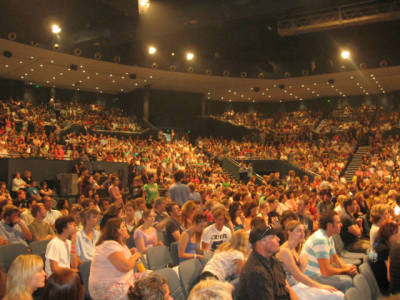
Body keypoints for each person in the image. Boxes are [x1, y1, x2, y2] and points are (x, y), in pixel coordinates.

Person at [277, 220, 344, 300]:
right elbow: (298, 276)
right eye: (298, 231)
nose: (302, 234)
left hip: (298, 284)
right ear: (289, 232)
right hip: (291, 288)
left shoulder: (294, 249)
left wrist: (302, 267)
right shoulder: (284, 251)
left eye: (303, 231)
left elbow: (299, 274)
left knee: (336, 294)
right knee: (336, 295)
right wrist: (321, 286)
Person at [237, 224, 298, 300]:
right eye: (273, 237)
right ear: (261, 243)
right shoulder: (256, 272)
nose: (278, 239)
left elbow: (287, 287)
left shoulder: (274, 261)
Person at [301, 211, 356, 292]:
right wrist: (345, 271)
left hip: (319, 272)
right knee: (347, 282)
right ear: (329, 225)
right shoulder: (320, 240)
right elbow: (326, 271)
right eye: (338, 222)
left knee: (352, 270)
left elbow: (334, 259)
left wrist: (348, 268)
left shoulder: (328, 236)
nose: (341, 225)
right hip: (311, 277)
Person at [89, 217, 142, 300]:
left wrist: (131, 253)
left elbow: (123, 259)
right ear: (117, 231)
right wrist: (135, 256)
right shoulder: (109, 245)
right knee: (144, 291)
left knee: (150, 277)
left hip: (121, 281)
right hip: (107, 287)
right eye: (123, 227)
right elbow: (126, 266)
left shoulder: (120, 244)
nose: (126, 229)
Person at [369, 221, 399, 295]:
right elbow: (390, 277)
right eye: (396, 233)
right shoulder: (385, 250)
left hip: (381, 282)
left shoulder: (378, 241)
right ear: (389, 234)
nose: (398, 235)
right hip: (386, 287)